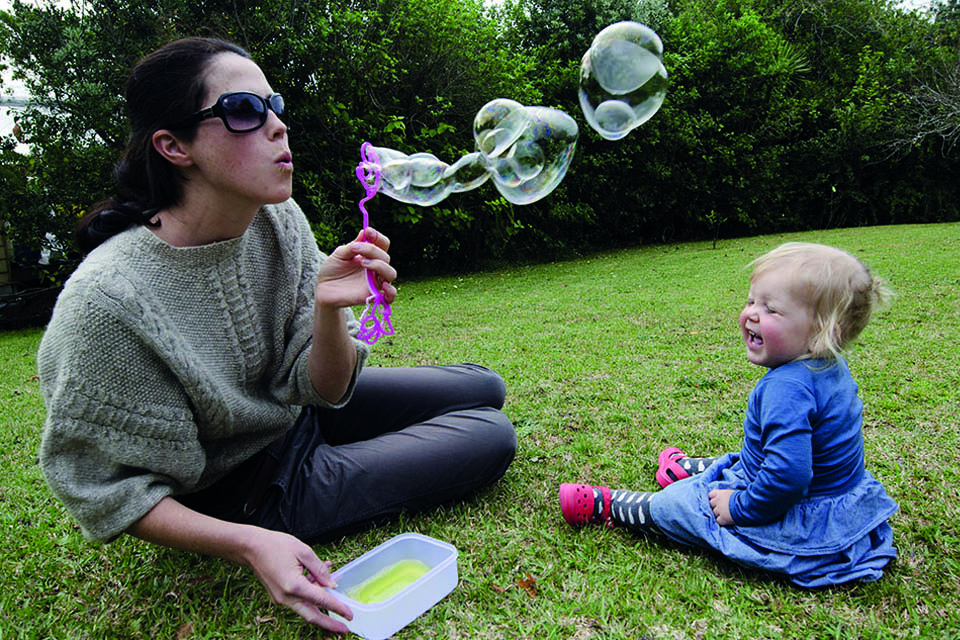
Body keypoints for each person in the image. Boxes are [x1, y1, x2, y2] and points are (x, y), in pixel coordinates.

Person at [36, 37, 517, 632]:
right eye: (244, 110)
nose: (277, 126)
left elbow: (324, 387)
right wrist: (247, 542)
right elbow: (109, 490)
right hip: (250, 491)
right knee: (488, 433)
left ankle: (343, 455)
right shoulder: (108, 301)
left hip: (295, 415)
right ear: (173, 145)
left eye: (276, 105)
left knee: (483, 385)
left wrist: (325, 309)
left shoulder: (277, 219)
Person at [559, 242, 898, 588]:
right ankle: (684, 470)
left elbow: (789, 477)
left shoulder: (788, 389)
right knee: (743, 460)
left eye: (771, 309)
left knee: (679, 508)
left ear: (821, 333)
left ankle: (611, 506)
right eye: (752, 301)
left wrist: (739, 507)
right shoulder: (830, 367)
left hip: (795, 512)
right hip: (838, 502)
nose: (751, 313)